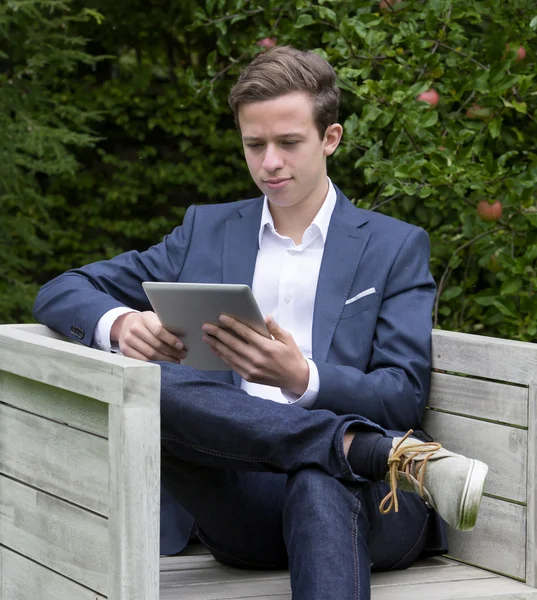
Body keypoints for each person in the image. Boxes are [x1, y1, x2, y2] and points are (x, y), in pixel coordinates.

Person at [33, 46, 488, 600]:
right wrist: (121, 323)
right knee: (150, 379)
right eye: (255, 144)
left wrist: (304, 380)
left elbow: (403, 397)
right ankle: (345, 443)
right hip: (240, 506)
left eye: (289, 142)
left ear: (331, 138)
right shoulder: (206, 232)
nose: (269, 162)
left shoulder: (393, 247)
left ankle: (342, 451)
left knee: (321, 476)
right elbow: (62, 288)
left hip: (370, 503)